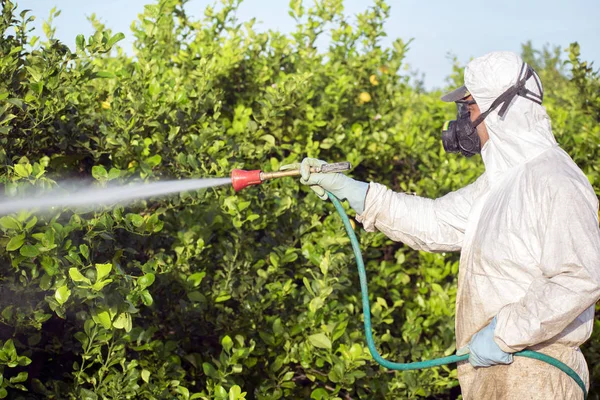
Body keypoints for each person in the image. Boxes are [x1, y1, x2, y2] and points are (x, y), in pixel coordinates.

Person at [282, 51, 600, 399]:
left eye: (470, 108)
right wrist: (357, 193)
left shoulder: (554, 179)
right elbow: (433, 221)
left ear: (502, 108)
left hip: (536, 371)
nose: (464, 120)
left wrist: (504, 332)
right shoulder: (501, 184)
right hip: (496, 372)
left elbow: (580, 277)